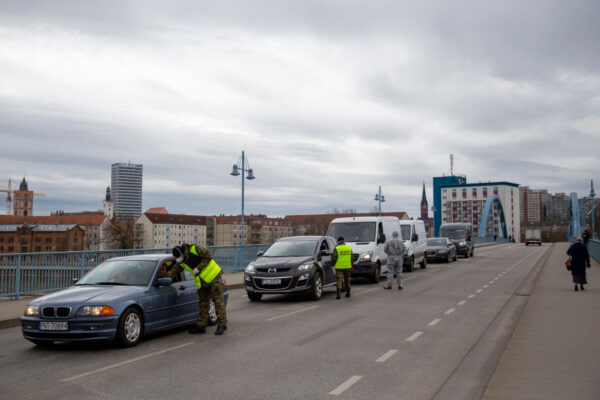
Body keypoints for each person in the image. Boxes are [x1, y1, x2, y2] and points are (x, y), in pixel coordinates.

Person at [171, 244, 228, 335]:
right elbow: (173, 271)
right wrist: (163, 275)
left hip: (214, 277)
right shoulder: (182, 262)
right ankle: (201, 326)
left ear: (183, 253)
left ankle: (221, 325)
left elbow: (209, 256)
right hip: (202, 282)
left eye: (179, 257)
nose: (178, 259)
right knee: (203, 303)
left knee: (218, 301)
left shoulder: (196, 249)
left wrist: (198, 268)